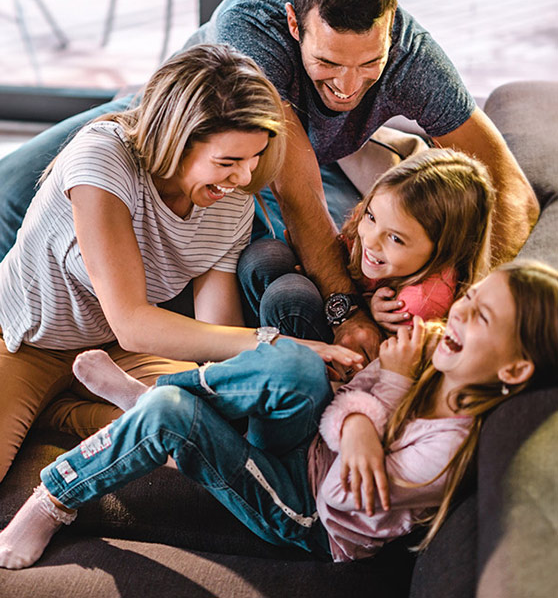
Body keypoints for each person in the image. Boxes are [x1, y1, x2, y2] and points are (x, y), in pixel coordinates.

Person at [0, 0, 539, 361]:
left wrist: (464, 298)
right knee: (12, 190)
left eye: (368, 65)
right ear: (293, 24)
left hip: (258, 162)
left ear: (391, 31)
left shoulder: (414, 60)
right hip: (168, 123)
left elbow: (515, 193)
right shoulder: (253, 27)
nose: (349, 87)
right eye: (328, 64)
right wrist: (346, 313)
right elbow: (299, 195)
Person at [0, 259, 556, 569]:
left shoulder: (451, 447)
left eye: (481, 317)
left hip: (307, 512)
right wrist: (359, 405)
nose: (459, 312)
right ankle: (151, 395)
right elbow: (344, 409)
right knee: (296, 364)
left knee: (171, 414)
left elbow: (342, 495)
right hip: (310, 448)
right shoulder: (434, 362)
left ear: (512, 370)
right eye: (471, 296)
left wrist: (387, 385)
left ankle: (55, 498)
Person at [0, 43, 364, 484]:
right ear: (174, 138)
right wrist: (283, 345)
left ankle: (63, 413)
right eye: (228, 161)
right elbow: (132, 320)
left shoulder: (229, 200)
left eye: (253, 159)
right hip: (25, 340)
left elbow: (216, 336)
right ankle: (59, 408)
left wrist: (266, 374)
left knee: (215, 418)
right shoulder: (102, 159)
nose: (245, 178)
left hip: (117, 352)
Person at [241, 148, 495, 342]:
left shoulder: (419, 303)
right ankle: (248, 343)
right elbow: (345, 250)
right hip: (345, 306)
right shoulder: (374, 224)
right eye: (371, 217)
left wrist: (372, 315)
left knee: (287, 297)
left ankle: (280, 372)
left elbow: (384, 364)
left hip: (351, 360)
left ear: (444, 251)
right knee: (264, 255)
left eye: (395, 238)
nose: (371, 240)